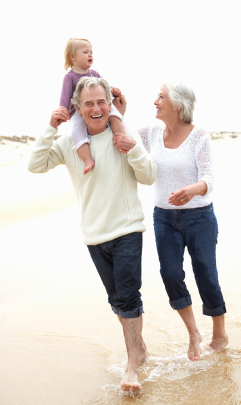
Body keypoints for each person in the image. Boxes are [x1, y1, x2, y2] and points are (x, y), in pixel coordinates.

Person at [28, 77, 157, 391]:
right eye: (89, 103)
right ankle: (139, 350)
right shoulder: (71, 144)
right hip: (94, 235)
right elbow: (35, 164)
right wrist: (50, 126)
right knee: (117, 301)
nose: (96, 108)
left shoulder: (122, 135)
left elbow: (149, 176)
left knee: (128, 298)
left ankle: (131, 369)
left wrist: (132, 149)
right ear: (78, 108)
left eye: (101, 102)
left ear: (109, 104)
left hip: (128, 229)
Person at [113, 82, 229, 361]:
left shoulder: (199, 135)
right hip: (164, 217)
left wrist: (193, 189)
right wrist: (120, 112)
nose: (156, 101)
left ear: (177, 106)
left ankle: (220, 334)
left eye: (161, 97)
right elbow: (122, 135)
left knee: (206, 275)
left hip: (200, 216)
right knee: (171, 274)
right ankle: (193, 333)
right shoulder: (152, 133)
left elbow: (210, 178)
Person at [60, 38, 126, 175]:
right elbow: (65, 98)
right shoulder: (69, 77)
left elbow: (105, 86)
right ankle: (88, 159)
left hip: (100, 104)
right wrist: (62, 111)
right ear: (73, 57)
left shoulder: (94, 74)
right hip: (78, 112)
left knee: (114, 114)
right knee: (76, 133)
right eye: (85, 52)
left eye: (91, 52)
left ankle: (121, 137)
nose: (90, 55)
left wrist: (114, 90)